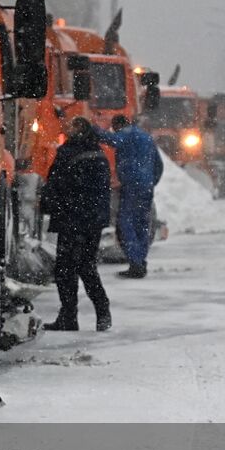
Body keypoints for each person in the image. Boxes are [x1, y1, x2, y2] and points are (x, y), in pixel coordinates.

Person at [40, 117, 113, 331]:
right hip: (92, 220)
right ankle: (102, 312)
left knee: (65, 269)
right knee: (87, 266)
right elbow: (101, 189)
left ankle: (69, 316)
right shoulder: (98, 153)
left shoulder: (69, 152)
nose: (67, 129)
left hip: (72, 218)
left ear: (79, 129)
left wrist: (48, 204)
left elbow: (57, 183)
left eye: (72, 126)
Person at [97, 114, 165, 278]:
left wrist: (92, 129)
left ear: (118, 126)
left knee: (126, 223)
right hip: (146, 186)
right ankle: (140, 260)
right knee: (142, 224)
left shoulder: (127, 134)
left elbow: (112, 140)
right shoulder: (146, 137)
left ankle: (135, 263)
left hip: (132, 186)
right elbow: (159, 165)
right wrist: (150, 181)